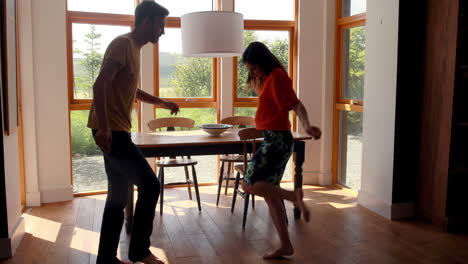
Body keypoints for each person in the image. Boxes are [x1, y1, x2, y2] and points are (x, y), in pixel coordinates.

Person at [87, 2, 178, 264]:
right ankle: (139, 250)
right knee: (151, 186)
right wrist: (104, 127)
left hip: (115, 129)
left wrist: (162, 102)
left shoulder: (134, 49)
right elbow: (100, 84)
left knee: (117, 195)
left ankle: (106, 259)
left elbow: (131, 91)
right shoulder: (123, 44)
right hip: (111, 131)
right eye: (160, 25)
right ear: (146, 22)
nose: (162, 31)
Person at [239, 41, 322, 259]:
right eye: (250, 69)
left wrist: (306, 125)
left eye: (254, 67)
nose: (252, 72)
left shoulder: (277, 76)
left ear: (263, 62)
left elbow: (296, 104)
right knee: (269, 194)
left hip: (276, 141)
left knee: (249, 184)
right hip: (272, 138)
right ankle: (286, 245)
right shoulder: (267, 78)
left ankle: (293, 196)